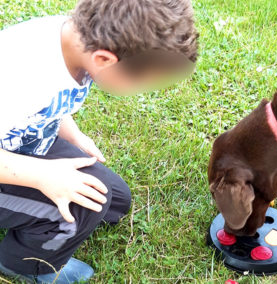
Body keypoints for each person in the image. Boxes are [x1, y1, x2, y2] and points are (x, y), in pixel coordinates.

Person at [0, 0, 198, 283]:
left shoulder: (77, 42)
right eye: (142, 83)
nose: (141, 91)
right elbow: (32, 93)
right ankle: (26, 265)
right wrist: (43, 175)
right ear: (105, 60)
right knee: (81, 204)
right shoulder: (20, 73)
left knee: (113, 199)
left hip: (18, 147)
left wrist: (73, 135)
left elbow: (47, 104)